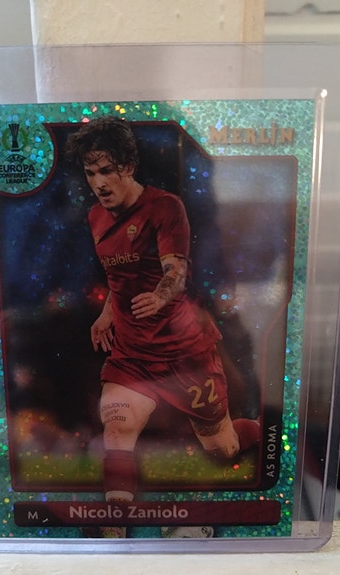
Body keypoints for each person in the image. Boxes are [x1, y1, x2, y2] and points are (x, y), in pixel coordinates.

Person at [65, 116, 260, 537]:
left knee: (222, 449)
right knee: (117, 429)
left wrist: (160, 296)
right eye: (90, 173)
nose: (99, 182)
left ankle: (260, 431)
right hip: (133, 353)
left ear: (128, 166)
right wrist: (107, 314)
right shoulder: (96, 217)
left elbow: (175, 270)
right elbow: (120, 278)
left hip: (184, 351)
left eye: (107, 170)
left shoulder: (165, 207)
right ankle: (116, 526)